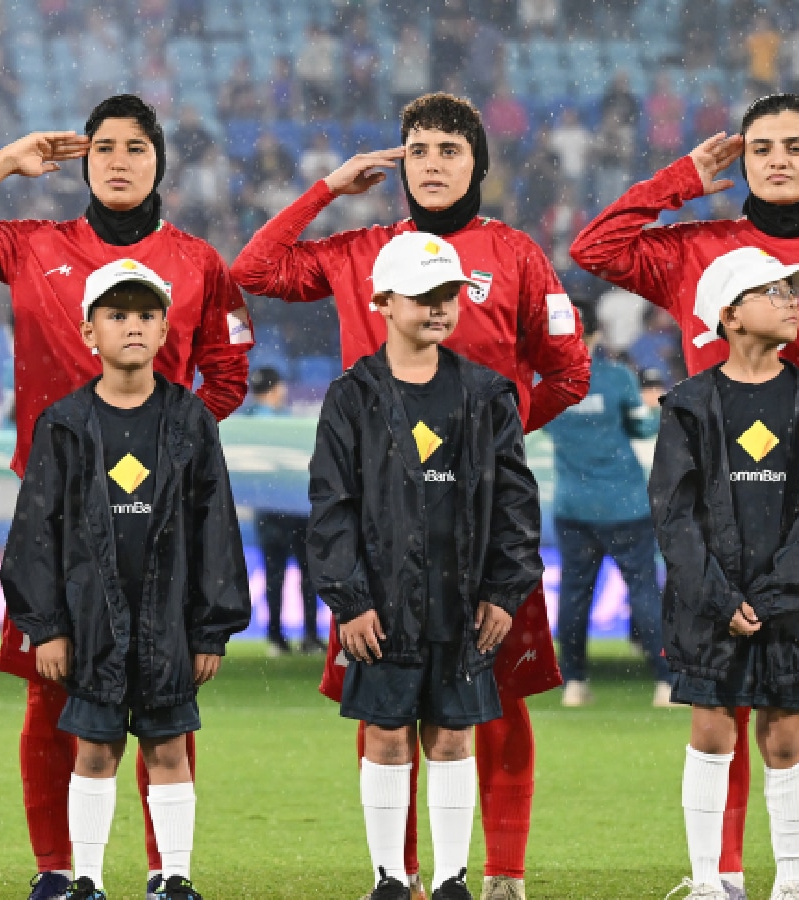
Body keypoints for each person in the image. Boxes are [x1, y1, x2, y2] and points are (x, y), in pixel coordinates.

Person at [231, 92, 587, 900]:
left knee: (496, 703)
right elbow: (250, 271)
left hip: (481, 523)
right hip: (382, 527)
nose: (432, 163)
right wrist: (325, 190)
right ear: (398, 162)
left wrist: (490, 438)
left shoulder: (519, 255)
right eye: (418, 148)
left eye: (450, 150)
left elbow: (571, 370)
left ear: (477, 166)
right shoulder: (359, 249)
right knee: (385, 707)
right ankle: (401, 877)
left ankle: (502, 875)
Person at [0, 93, 252, 900]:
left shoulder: (199, 262)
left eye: (135, 147)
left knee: (164, 702)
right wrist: (1, 163)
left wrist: (171, 447)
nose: (119, 160)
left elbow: (227, 374)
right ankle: (61, 871)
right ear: (82, 162)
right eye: (102, 148)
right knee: (49, 697)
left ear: (160, 161)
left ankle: (168, 874)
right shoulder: (36, 245)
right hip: (56, 520)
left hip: (159, 521)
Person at [571, 93, 799, 900]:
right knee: (723, 704)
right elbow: (593, 247)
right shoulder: (696, 247)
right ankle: (725, 877)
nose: (777, 159)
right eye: (761, 146)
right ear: (739, 158)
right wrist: (679, 180)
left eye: (795, 146)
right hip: (716, 519)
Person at [1, 258, 251, 900]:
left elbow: (214, 527)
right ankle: (85, 879)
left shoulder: (191, 420)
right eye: (116, 315)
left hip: (168, 622)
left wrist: (212, 629)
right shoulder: (62, 423)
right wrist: (47, 627)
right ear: (89, 332)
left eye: (145, 315)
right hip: (88, 625)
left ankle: (173, 877)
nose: (132, 326)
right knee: (94, 751)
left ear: (166, 329)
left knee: (168, 750)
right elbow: (36, 534)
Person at [307, 234, 542, 900]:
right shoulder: (352, 396)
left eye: (449, 295)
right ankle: (388, 879)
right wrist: (349, 601)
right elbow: (331, 507)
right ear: (381, 301)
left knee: (452, 736)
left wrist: (503, 590)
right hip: (381, 606)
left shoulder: (488, 393)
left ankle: (450, 880)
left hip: (464, 602)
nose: (440, 307)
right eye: (424, 295)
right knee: (385, 736)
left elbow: (516, 504)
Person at [650, 248, 799, 900]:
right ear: (729, 316)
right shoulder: (689, 404)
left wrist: (770, 596)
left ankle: (790, 883)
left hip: (789, 606)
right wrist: (717, 596)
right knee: (709, 731)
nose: (792, 300)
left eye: (794, 290)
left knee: (785, 733)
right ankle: (707, 881)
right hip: (710, 606)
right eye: (773, 291)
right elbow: (673, 514)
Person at [542, 303, 670, 707]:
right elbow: (643, 426)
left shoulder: (546, 385)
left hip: (573, 505)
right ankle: (665, 683)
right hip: (624, 504)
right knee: (644, 592)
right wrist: (653, 407)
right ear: (596, 336)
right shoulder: (615, 377)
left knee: (575, 595)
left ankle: (574, 683)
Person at [242, 367, 321, 656]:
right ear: (277, 389)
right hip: (298, 510)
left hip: (268, 511)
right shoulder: (288, 424)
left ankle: (275, 637)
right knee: (308, 575)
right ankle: (310, 636)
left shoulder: (246, 423)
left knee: (275, 575)